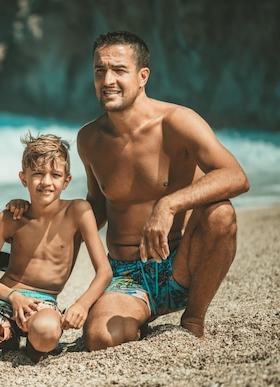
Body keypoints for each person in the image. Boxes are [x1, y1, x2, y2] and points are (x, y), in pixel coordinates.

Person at [75, 31, 250, 350]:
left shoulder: (178, 122)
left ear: (143, 76)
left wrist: (168, 205)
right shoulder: (90, 140)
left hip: (181, 263)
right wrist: (47, 223)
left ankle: (193, 320)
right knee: (99, 338)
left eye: (119, 70)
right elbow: (97, 204)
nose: (108, 79)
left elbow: (235, 175)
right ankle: (137, 317)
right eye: (100, 70)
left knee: (221, 213)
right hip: (128, 276)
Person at [0, 133, 112, 365]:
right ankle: (6, 338)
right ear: (23, 178)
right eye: (37, 173)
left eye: (55, 175)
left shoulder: (78, 212)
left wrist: (81, 305)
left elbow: (104, 271)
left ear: (66, 181)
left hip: (43, 302)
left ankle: (29, 342)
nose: (46, 181)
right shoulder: (10, 218)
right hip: (4, 298)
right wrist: (13, 296)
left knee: (45, 334)